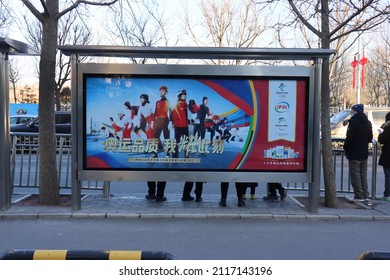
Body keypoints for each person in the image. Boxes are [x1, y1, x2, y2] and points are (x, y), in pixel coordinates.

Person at [344, 104, 373, 202]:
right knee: (363, 174)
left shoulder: (354, 122)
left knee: (355, 174)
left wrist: (346, 147)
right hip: (364, 151)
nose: (351, 112)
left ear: (356, 111)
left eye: (352, 110)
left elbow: (350, 138)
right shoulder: (368, 122)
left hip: (354, 152)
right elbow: (370, 138)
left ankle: (358, 195)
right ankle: (365, 194)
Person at [152, 86, 170, 158]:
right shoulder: (157, 102)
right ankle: (154, 153)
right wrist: (153, 121)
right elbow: (155, 112)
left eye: (163, 90)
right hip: (158, 121)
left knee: (166, 138)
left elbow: (171, 112)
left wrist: (171, 122)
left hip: (165, 120)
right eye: (160, 91)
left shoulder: (168, 102)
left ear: (166, 92)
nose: (161, 92)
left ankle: (168, 153)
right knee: (155, 137)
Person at [170, 89, 189, 158]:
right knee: (176, 142)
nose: (184, 96)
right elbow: (171, 113)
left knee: (186, 142)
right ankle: (175, 156)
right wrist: (170, 122)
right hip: (178, 126)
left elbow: (188, 115)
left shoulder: (186, 104)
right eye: (183, 95)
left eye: (185, 95)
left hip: (185, 126)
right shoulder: (176, 104)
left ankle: (186, 156)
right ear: (179, 95)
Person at [378, 112, 390, 202]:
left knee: (388, 175)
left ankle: (387, 195)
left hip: (388, 155)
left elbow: (382, 140)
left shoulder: (387, 128)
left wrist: (381, 133)